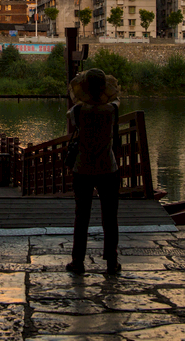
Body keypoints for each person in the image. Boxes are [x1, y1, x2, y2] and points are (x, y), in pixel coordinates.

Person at [65, 69, 122, 276]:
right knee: (110, 217)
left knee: (81, 216)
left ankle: (77, 261)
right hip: (108, 167)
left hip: (83, 168)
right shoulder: (112, 110)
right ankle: (111, 261)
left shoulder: (78, 112)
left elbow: (73, 118)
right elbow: (116, 99)